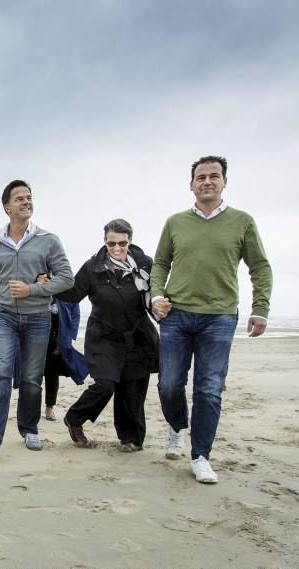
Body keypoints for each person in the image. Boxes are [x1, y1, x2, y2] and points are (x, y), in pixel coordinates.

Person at [151, 156, 272, 484]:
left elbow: (260, 266)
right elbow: (160, 263)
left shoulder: (242, 221)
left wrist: (260, 308)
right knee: (169, 384)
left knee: (209, 389)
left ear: (223, 183)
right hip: (175, 315)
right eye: (201, 177)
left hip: (219, 317)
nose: (207, 181)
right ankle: (177, 426)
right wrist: (156, 296)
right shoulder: (176, 222)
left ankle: (201, 455)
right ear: (191, 184)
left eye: (213, 176)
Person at [0, 179, 74, 458]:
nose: (26, 202)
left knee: (31, 378)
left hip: (39, 317)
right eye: (20, 199)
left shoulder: (48, 240)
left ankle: (29, 428)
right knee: (2, 372)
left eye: (29, 197)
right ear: (7, 208)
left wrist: (34, 289)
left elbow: (67, 278)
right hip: (4, 315)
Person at [55, 219, 157, 452]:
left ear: (130, 240)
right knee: (106, 384)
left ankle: (130, 438)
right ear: (105, 242)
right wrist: (50, 283)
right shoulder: (93, 267)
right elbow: (72, 294)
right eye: (112, 244)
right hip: (103, 336)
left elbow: (156, 295)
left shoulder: (145, 264)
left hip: (137, 336)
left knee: (132, 389)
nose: (117, 248)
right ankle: (74, 418)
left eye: (122, 243)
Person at [39, 294, 87, 421]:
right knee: (34, 373)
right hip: (37, 337)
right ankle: (32, 406)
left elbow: (75, 316)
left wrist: (68, 339)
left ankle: (49, 407)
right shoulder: (40, 287)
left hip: (58, 339)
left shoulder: (68, 293)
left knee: (52, 374)